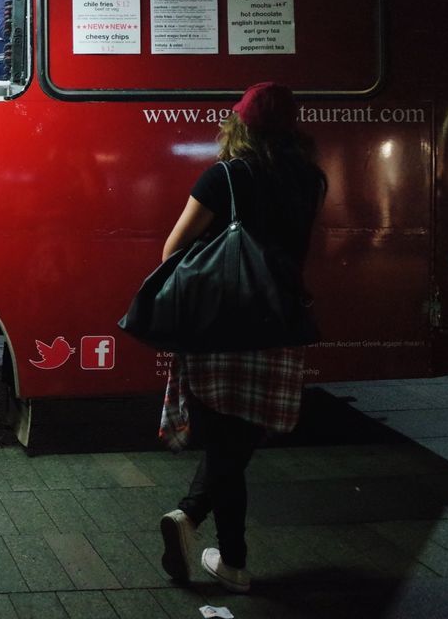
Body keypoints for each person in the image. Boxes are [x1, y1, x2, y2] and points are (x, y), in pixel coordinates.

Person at [156, 82, 327, 594]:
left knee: (224, 447)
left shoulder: (223, 178)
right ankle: (215, 547)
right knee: (238, 446)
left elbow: (172, 252)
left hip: (217, 328)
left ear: (240, 124)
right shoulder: (309, 180)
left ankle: (209, 538)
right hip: (276, 327)